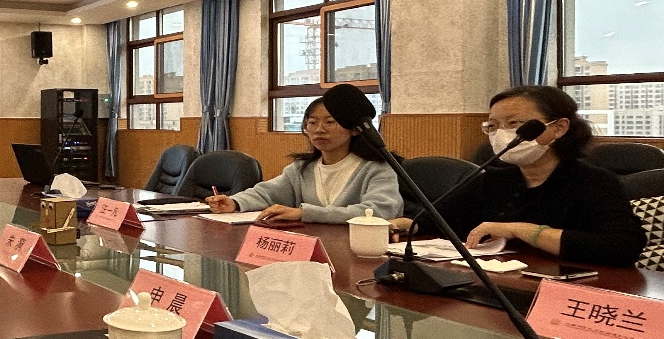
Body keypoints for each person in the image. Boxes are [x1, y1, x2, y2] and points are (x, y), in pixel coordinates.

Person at [439, 85, 645, 267]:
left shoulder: (597, 182)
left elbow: (622, 247)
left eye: (514, 123)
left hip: (574, 285)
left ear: (559, 128)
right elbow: (436, 220)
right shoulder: (492, 180)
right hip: (502, 280)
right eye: (493, 125)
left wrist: (521, 230)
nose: (501, 134)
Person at [205, 97, 402, 222]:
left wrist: (304, 213)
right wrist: (235, 202)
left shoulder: (376, 168)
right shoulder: (302, 169)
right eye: (312, 122)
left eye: (330, 122)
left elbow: (379, 211)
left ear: (354, 129)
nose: (319, 129)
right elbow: (266, 193)